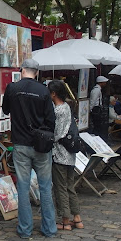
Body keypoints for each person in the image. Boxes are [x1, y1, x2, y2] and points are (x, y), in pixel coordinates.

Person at [2, 59, 56, 239]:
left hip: (21, 144)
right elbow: (51, 120)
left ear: (22, 70)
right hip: (41, 145)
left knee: (23, 187)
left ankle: (25, 229)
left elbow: (5, 110)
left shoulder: (12, 88)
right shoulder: (44, 90)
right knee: (45, 187)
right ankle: (49, 228)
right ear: (37, 72)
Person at [48, 80, 83, 232]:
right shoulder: (67, 106)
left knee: (60, 187)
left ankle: (65, 221)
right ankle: (77, 217)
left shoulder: (58, 110)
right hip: (70, 154)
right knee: (70, 186)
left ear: (53, 93)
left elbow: (57, 134)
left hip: (60, 154)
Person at [89, 76, 109, 141]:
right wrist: (90, 109)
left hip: (97, 109)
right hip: (96, 109)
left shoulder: (98, 90)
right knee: (97, 125)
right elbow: (93, 101)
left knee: (98, 125)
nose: (105, 83)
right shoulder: (96, 90)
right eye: (104, 82)